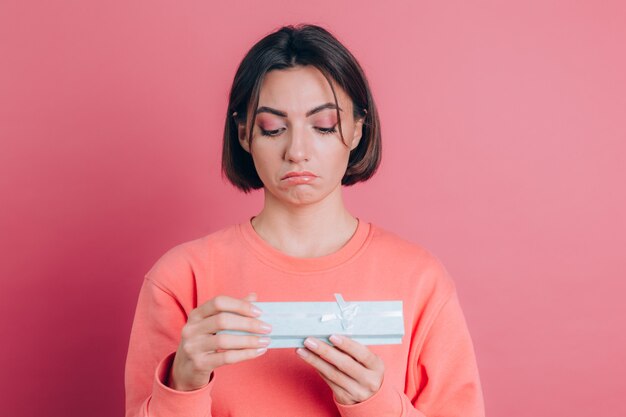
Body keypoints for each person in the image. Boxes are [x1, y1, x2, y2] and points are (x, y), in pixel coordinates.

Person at [124, 23, 485, 417]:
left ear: (357, 129)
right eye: (273, 128)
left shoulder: (420, 280)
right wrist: (183, 384)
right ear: (244, 133)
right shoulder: (181, 278)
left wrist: (375, 403)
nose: (297, 151)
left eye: (323, 126)